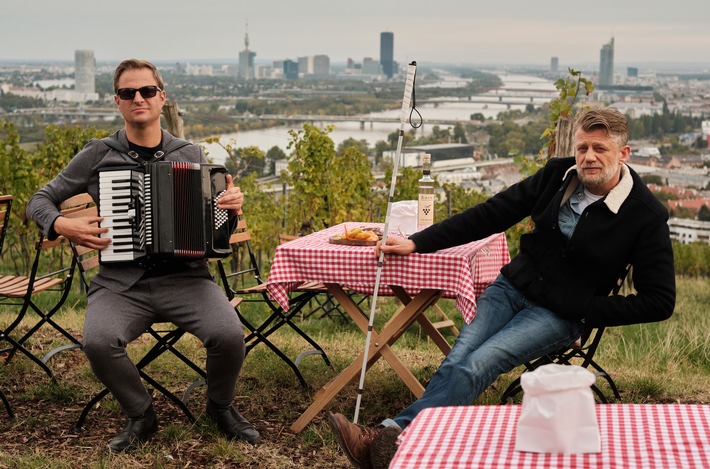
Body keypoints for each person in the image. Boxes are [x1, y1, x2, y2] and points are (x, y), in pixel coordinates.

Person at [328, 106, 676, 469]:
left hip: (559, 314)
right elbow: (492, 212)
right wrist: (419, 242)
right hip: (510, 288)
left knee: (477, 364)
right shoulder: (558, 175)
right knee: (457, 360)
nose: (588, 158)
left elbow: (659, 301)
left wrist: (584, 307)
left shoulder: (645, 215)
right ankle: (400, 442)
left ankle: (388, 438)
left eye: (600, 149)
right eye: (582, 147)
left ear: (623, 153)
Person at [26, 59, 260, 453]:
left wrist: (232, 207)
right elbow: (39, 200)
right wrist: (63, 226)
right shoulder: (99, 154)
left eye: (147, 91)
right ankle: (141, 415)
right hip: (120, 282)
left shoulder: (190, 153)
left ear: (161, 98)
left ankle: (220, 407)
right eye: (128, 93)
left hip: (186, 278)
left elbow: (216, 230)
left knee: (229, 334)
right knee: (98, 341)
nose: (139, 98)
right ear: (117, 101)